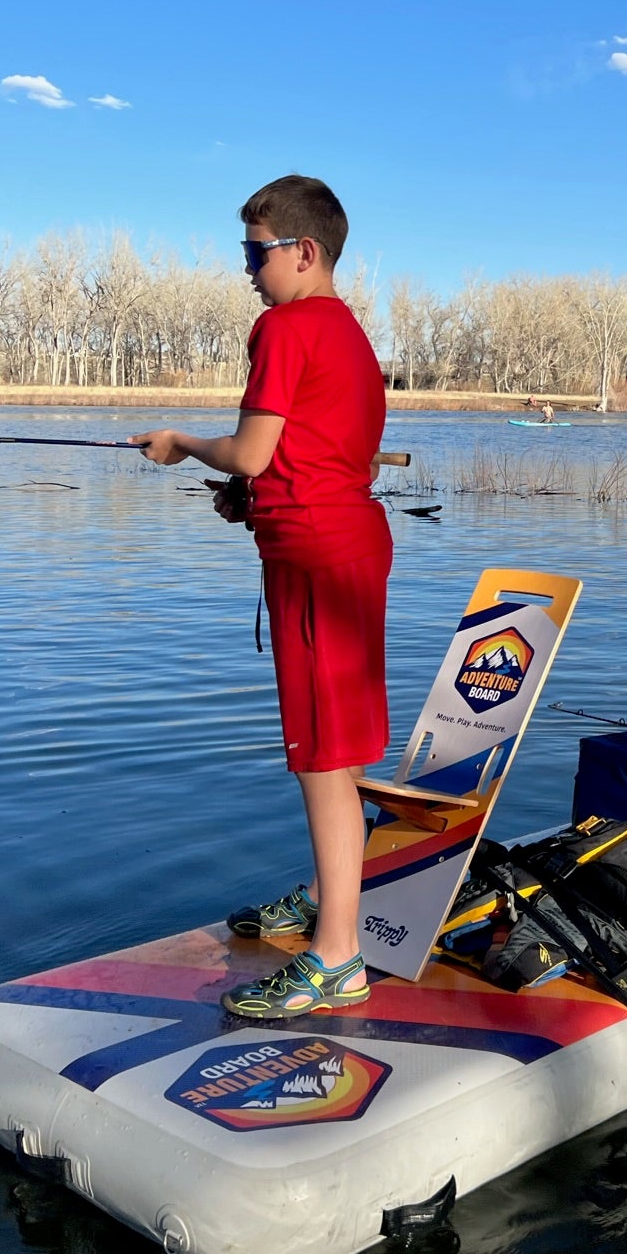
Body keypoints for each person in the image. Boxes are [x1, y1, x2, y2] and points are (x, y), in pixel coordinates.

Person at [132, 174, 391, 1020]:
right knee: (342, 744)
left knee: (320, 752)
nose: (247, 269)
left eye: (256, 252)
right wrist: (258, 495)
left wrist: (179, 443)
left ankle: (337, 957)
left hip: (315, 559)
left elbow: (248, 449)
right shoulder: (350, 333)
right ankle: (327, 895)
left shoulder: (282, 326)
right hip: (350, 542)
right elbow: (304, 454)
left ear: (303, 252)